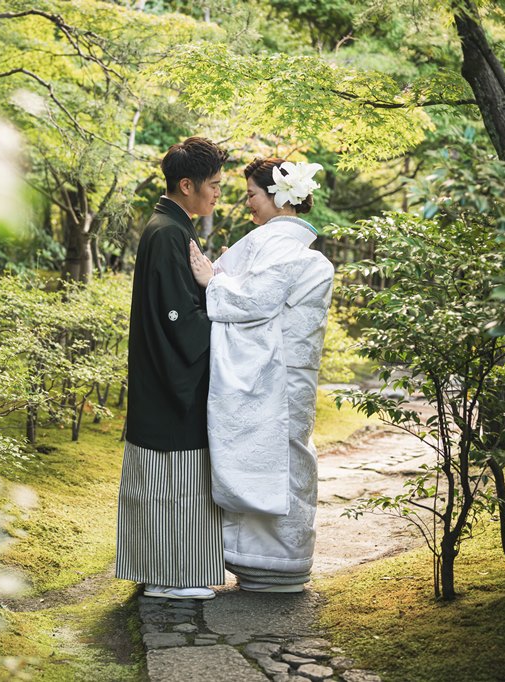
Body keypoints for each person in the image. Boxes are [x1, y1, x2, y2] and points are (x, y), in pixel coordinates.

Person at [188, 157, 334, 592]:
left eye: (251, 194)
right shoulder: (286, 245)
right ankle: (278, 560)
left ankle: (273, 562)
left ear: (277, 196)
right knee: (287, 455)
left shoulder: (279, 245)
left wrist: (213, 280)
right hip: (290, 372)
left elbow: (254, 301)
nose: (247, 202)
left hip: (278, 375)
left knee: (280, 455)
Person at [115, 136, 229, 600]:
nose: (217, 193)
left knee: (167, 482)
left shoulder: (170, 227)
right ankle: (172, 576)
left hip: (163, 375)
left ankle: (163, 571)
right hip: (170, 379)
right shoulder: (168, 233)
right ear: (187, 185)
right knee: (174, 480)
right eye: (213, 184)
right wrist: (226, 320)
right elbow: (178, 317)